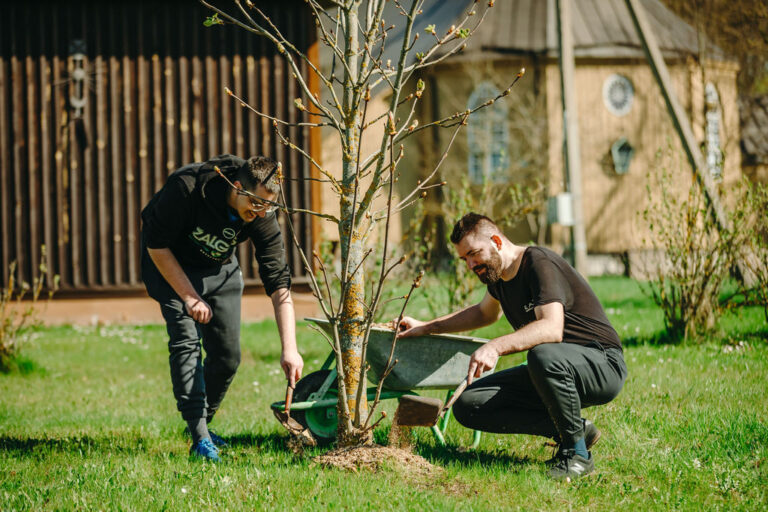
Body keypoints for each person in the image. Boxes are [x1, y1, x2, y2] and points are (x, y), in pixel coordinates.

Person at [399, 213, 627, 480]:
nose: (471, 265)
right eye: (465, 259)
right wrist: (427, 326)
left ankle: (576, 455)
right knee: (469, 403)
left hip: (600, 363)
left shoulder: (537, 263)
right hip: (551, 367)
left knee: (542, 354)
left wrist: (495, 347)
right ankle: (576, 429)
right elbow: (484, 314)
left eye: (474, 254)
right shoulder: (498, 278)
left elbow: (552, 329)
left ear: (496, 240)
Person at [140, 154, 304, 462]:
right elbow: (155, 243)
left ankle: (203, 424)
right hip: (171, 265)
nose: (261, 212)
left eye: (269, 206)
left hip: (219, 268)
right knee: (186, 341)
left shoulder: (261, 212)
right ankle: (199, 437)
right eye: (256, 204)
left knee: (228, 357)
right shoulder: (187, 188)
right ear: (238, 187)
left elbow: (278, 279)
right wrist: (189, 297)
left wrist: (290, 349)